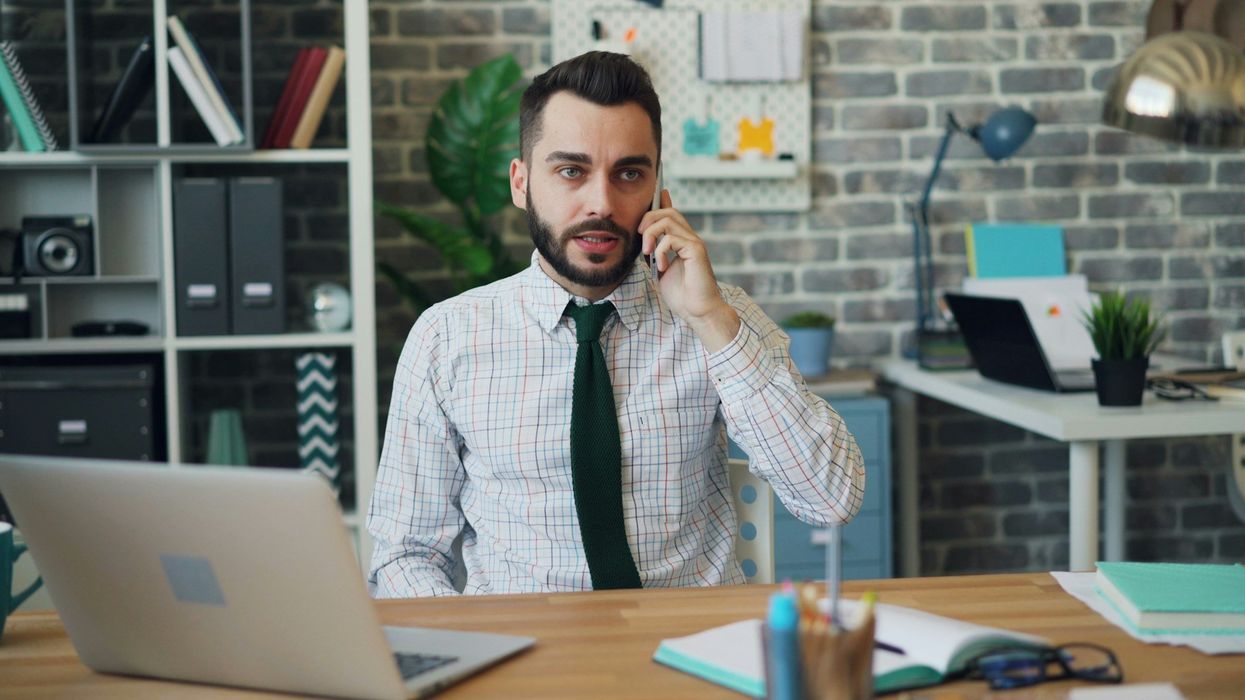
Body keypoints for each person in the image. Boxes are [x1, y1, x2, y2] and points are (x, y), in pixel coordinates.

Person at [368, 51, 864, 597]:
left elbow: (830, 499)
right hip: (529, 662)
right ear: (520, 182)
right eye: (570, 171)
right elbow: (404, 554)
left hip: (690, 653)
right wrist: (479, 655)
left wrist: (711, 322)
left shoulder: (720, 316)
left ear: (655, 188)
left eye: (628, 173)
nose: (601, 202)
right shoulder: (446, 338)